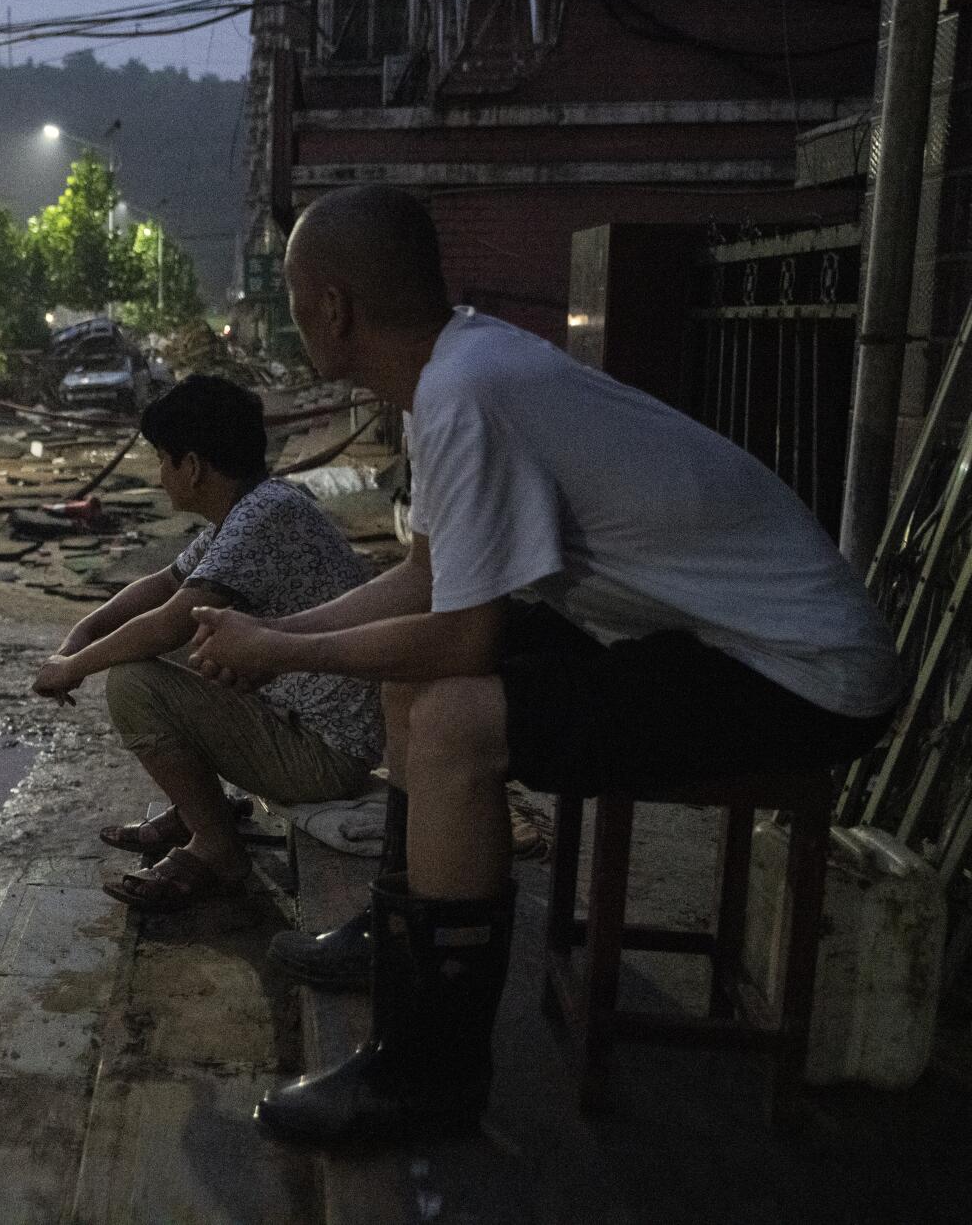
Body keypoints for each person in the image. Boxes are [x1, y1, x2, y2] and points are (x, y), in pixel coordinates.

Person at [188, 185, 901, 1143]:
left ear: (335, 310)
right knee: (416, 686)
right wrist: (285, 635)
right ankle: (403, 940)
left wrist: (279, 646)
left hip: (803, 675)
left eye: (294, 296)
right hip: (709, 636)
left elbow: (462, 638)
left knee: (452, 720)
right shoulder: (457, 367)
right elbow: (427, 578)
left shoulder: (464, 392)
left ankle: (429, 1074)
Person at [31, 374, 383, 910]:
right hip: (309, 725)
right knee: (170, 648)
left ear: (191, 466)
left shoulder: (262, 516)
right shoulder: (256, 507)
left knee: (134, 682)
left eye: (163, 459)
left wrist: (75, 665)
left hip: (324, 754)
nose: (159, 473)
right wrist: (80, 635)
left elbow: (170, 618)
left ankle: (217, 847)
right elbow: (163, 584)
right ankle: (196, 810)